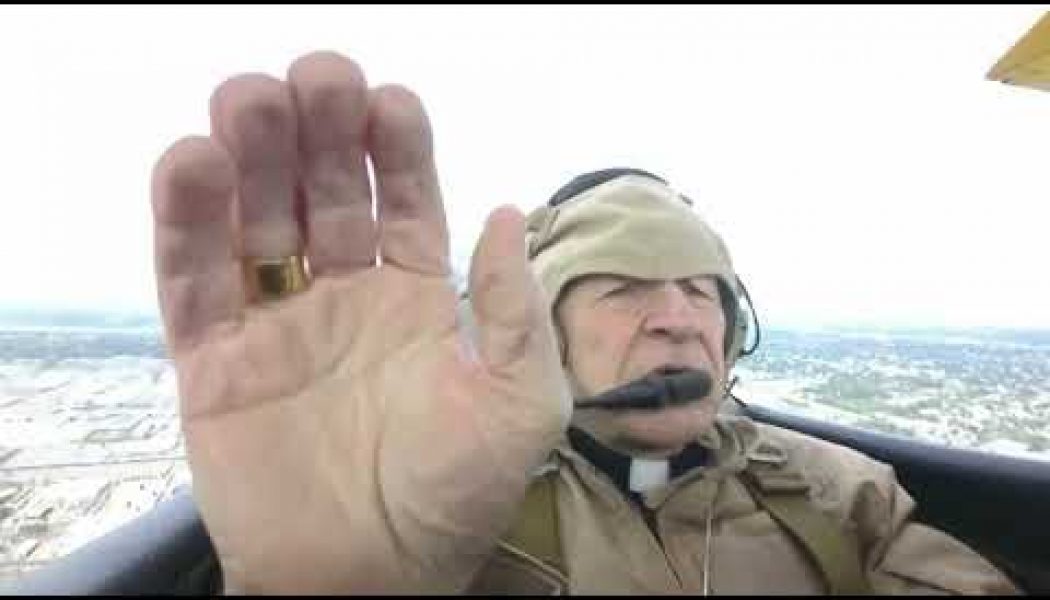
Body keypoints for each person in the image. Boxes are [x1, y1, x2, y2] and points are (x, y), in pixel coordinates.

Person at [149, 50, 1018, 594]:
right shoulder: (444, 509)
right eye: (624, 288)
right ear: (544, 331)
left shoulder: (841, 494)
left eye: (703, 290)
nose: (679, 320)